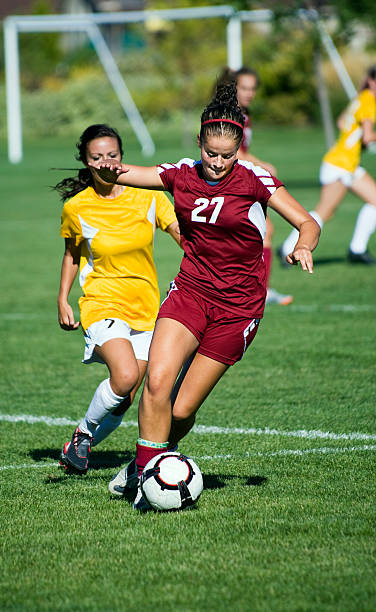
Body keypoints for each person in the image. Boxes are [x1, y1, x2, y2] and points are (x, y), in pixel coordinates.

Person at [91, 83, 321, 510]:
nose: (217, 164)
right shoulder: (181, 172)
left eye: (226, 156)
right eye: (210, 153)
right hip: (191, 292)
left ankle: (153, 458)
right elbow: (126, 173)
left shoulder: (256, 179)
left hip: (238, 309)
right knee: (156, 383)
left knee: (179, 411)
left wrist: (303, 244)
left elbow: (308, 222)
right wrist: (104, 164)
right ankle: (145, 476)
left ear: (239, 151)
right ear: (199, 143)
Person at [54, 124, 181, 474]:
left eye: (112, 155)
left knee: (125, 398)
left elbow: (180, 233)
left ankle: (81, 448)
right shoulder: (77, 207)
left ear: (122, 158)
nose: (106, 162)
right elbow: (71, 254)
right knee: (124, 376)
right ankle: (82, 435)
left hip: (145, 307)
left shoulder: (148, 195)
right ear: (86, 161)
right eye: (97, 157)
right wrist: (63, 299)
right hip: (101, 301)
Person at [280, 65, 376, 265]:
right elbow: (367, 137)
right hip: (340, 164)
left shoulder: (361, 98)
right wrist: (361, 140)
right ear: (372, 82)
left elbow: (342, 122)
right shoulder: (369, 101)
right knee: (325, 211)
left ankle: (357, 250)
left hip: (347, 163)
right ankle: (288, 249)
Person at [217, 66, 293, 305]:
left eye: (252, 89)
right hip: (224, 182)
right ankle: (254, 290)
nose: (249, 93)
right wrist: (263, 165)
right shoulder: (228, 113)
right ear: (233, 88)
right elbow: (233, 152)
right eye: (244, 88)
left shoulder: (244, 114)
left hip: (237, 180)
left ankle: (256, 289)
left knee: (260, 231)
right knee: (254, 232)